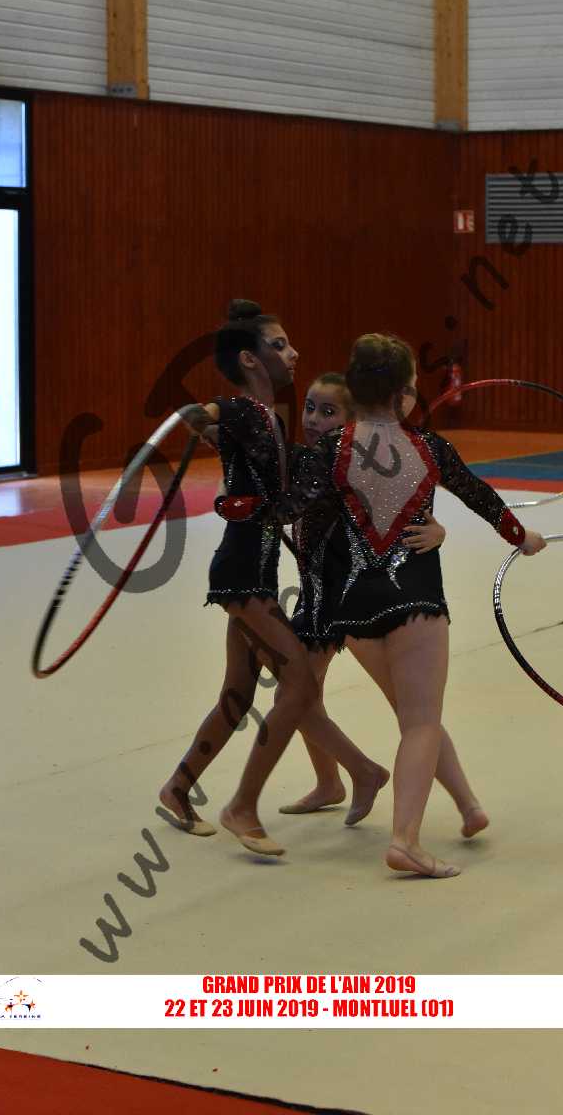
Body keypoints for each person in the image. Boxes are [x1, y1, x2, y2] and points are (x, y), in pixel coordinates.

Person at [232, 332, 546, 878]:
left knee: (410, 713)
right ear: (405, 392)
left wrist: (237, 502)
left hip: (354, 605)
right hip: (415, 596)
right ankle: (406, 841)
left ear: (355, 388)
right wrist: (522, 537)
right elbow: (481, 496)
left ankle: (465, 806)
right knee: (421, 721)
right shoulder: (430, 448)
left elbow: (283, 510)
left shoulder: (332, 450)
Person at [158, 301, 386, 854]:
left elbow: (264, 482)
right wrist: (204, 418)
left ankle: (177, 789)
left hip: (253, 571)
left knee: (238, 694)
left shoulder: (265, 420)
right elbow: (208, 416)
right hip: (243, 575)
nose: (293, 353)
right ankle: (244, 806)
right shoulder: (246, 410)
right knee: (300, 682)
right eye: (280, 345)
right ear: (250, 359)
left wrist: (228, 465)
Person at [280, 372, 487, 843]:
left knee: (408, 711)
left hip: (349, 605)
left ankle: (454, 799)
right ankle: (334, 781)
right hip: (317, 599)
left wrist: (436, 531)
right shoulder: (311, 460)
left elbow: (402, 511)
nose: (313, 419)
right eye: (310, 407)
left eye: (328, 412)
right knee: (301, 697)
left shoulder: (351, 466)